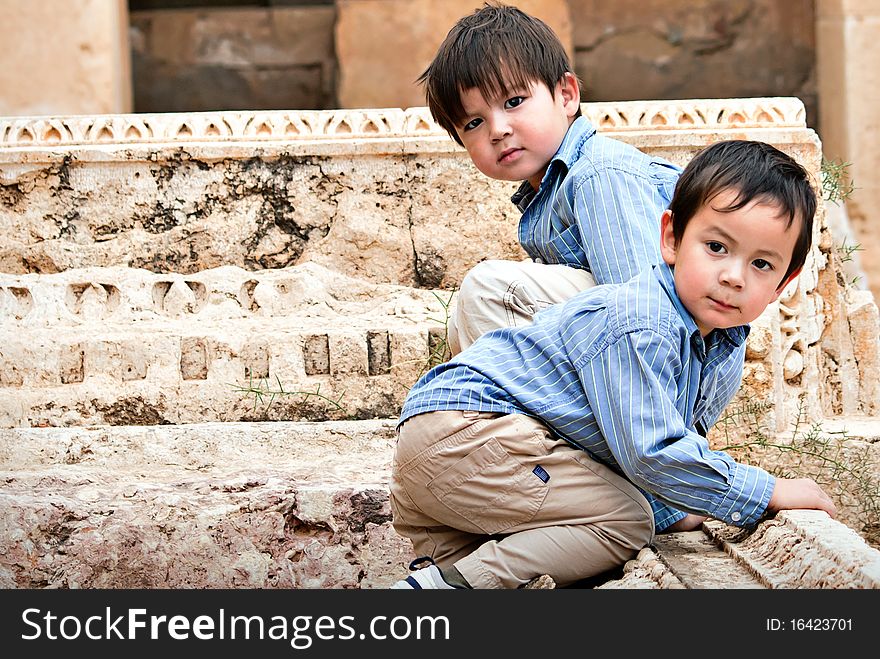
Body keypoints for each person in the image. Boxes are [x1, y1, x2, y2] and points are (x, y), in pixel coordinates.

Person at [389, 139, 837, 589]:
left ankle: (442, 582)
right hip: (470, 436)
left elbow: (636, 448)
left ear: (783, 283)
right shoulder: (645, 322)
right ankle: (443, 589)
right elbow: (651, 452)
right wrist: (768, 492)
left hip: (458, 455)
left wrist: (676, 504)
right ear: (671, 238)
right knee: (625, 520)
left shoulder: (714, 343)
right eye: (717, 247)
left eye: (761, 263)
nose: (734, 276)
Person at [417, 2, 682, 355]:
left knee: (488, 291)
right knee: (464, 318)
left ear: (566, 95)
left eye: (514, 101)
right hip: (613, 349)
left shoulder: (599, 176)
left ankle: (525, 408)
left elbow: (643, 316)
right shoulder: (546, 191)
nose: (497, 130)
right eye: (474, 123)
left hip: (655, 365)